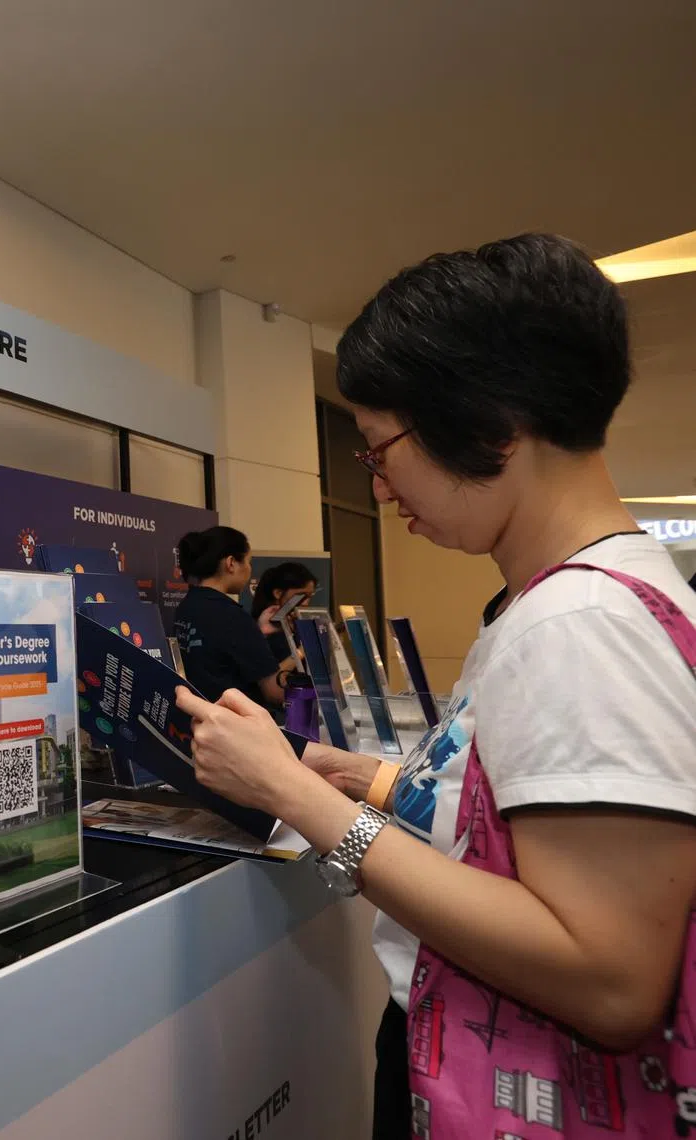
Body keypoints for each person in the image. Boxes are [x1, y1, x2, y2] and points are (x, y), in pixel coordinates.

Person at [176, 234, 696, 1139]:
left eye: (381, 451)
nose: (377, 489)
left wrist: (292, 793)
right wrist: (363, 778)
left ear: (490, 421)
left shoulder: (581, 625)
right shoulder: (573, 602)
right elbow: (511, 836)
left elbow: (609, 979)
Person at [173, 527, 294, 709]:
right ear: (231, 563)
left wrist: (258, 631)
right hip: (236, 725)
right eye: (248, 561)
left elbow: (215, 653)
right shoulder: (232, 617)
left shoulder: (187, 605)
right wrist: (300, 653)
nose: (249, 569)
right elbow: (275, 692)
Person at [250, 561, 317, 663]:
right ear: (278, 593)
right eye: (300, 596)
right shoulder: (255, 628)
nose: (305, 603)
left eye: (309, 597)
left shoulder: (299, 626)